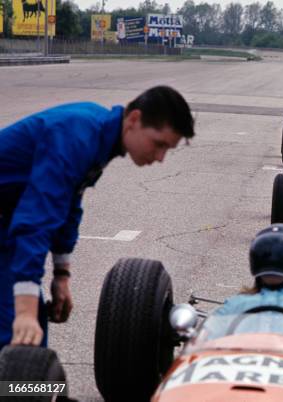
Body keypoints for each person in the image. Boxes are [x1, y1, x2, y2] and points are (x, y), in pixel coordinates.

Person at [0, 85, 195, 349]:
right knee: (17, 334)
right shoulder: (77, 135)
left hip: (8, 216)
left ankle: (38, 388)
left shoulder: (101, 134)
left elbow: (68, 206)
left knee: (31, 328)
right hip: (11, 219)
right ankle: (27, 389)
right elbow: (37, 218)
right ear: (134, 120)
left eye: (167, 150)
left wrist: (61, 275)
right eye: (158, 144)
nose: (160, 158)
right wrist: (22, 311)